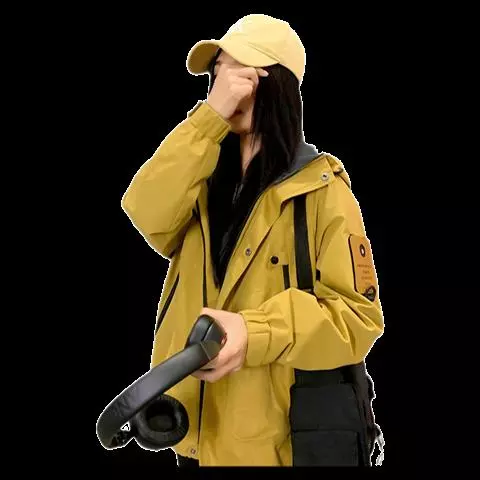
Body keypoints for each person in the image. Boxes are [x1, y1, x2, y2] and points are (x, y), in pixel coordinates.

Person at [121, 13, 385, 467]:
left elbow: (357, 317)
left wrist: (254, 332)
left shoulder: (323, 193)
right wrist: (207, 121)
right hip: (198, 440)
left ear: (273, 85)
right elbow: (144, 211)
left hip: (276, 447)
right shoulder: (198, 182)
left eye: (236, 72)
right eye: (216, 74)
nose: (221, 85)